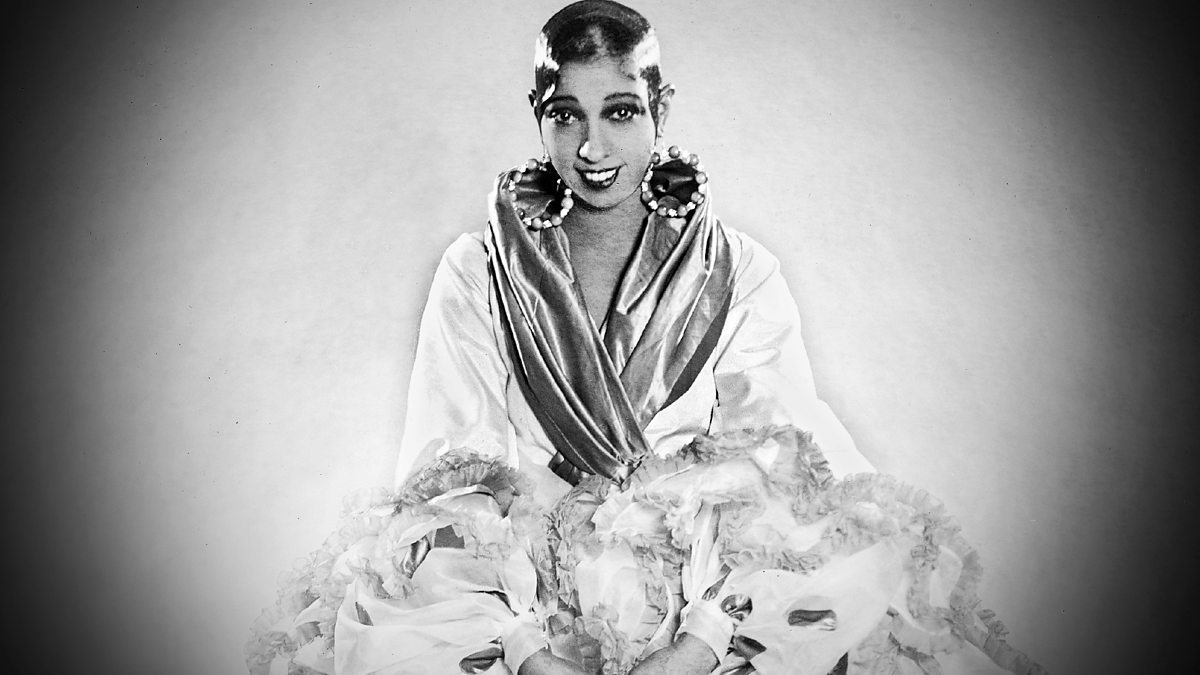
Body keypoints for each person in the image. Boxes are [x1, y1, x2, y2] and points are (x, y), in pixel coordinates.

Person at [247, 3, 1045, 674]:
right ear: (539, 115)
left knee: (850, 595)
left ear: (662, 107)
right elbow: (449, 469)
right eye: (568, 115)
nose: (593, 149)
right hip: (520, 579)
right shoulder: (477, 269)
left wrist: (704, 637)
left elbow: (779, 461)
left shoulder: (740, 269)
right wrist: (524, 649)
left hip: (700, 573)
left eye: (621, 111)